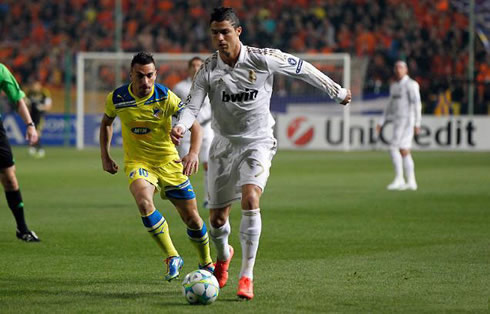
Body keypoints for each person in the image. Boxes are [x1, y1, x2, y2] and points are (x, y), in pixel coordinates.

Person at [171, 7, 351, 300]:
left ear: (238, 32)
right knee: (217, 220)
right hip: (223, 144)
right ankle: (224, 255)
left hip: (258, 141)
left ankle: (247, 276)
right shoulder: (208, 68)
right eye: (215, 32)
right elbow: (192, 105)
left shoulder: (262, 57)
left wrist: (336, 90)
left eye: (225, 32)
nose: (219, 38)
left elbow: (302, 68)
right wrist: (181, 126)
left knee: (251, 198)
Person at [99, 52, 214, 282]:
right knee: (144, 201)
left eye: (150, 76)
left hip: (169, 162)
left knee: (191, 218)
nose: (145, 82)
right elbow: (107, 123)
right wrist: (105, 155)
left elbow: (196, 126)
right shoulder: (118, 98)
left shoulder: (165, 96)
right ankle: (172, 256)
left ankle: (207, 262)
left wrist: (192, 153)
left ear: (155, 74)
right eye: (140, 76)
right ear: (131, 75)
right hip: (138, 162)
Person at [0, 63, 40, 242]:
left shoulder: (1, 70)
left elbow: (17, 99)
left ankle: (22, 229)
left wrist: (30, 125)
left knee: (9, 176)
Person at [173, 57, 214, 208]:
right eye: (194, 65)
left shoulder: (210, 84)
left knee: (209, 164)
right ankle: (185, 199)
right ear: (189, 68)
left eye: (199, 65)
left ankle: (209, 198)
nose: (196, 68)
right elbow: (174, 110)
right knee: (184, 166)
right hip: (187, 131)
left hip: (206, 128)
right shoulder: (180, 87)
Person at [376, 60, 422, 191]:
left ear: (406, 70)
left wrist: (417, 123)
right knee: (404, 150)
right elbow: (389, 106)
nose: (398, 70)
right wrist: (381, 121)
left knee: (393, 148)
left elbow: (417, 104)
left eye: (401, 67)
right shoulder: (394, 86)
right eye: (396, 68)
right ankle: (411, 182)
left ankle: (399, 179)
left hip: (407, 121)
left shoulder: (411, 85)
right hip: (397, 122)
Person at [26, 80, 52, 158]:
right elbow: (26, 104)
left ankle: (40, 148)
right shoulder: (29, 93)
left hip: (40, 116)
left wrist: (41, 107)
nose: (34, 87)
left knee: (37, 132)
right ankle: (33, 147)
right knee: (32, 132)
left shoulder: (45, 93)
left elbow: (48, 106)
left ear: (39, 85)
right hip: (31, 116)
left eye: (36, 85)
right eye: (33, 85)